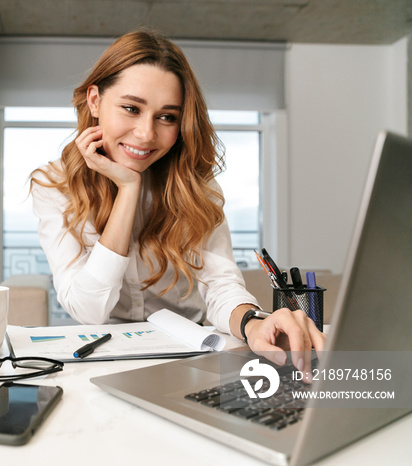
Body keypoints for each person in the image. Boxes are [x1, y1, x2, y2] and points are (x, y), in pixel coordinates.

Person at [29, 29, 324, 375]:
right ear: (94, 100)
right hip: (103, 360)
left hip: (192, 355)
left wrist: (253, 324)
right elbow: (88, 310)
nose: (146, 134)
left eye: (167, 117)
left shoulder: (193, 182)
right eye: (131, 108)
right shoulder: (55, 186)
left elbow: (220, 283)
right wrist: (128, 190)